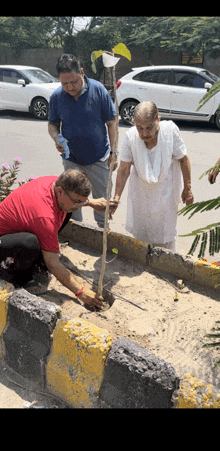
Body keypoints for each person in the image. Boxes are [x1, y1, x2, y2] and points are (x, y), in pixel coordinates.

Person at [0, 169, 108, 309]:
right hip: (4, 241)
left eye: (82, 201)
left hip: (21, 228)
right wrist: (81, 292)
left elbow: (72, 202)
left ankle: (37, 259)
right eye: (77, 201)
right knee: (29, 243)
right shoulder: (45, 217)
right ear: (60, 191)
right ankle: (22, 279)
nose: (79, 205)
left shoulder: (54, 182)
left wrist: (91, 202)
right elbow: (53, 264)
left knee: (68, 211)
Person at [110, 101, 194, 252]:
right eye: (139, 128)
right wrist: (116, 198)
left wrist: (187, 188)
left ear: (158, 120)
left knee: (165, 242)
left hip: (166, 196)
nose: (144, 133)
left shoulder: (170, 131)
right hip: (141, 196)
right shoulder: (131, 137)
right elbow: (123, 170)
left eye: (149, 127)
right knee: (142, 240)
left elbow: (183, 159)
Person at [48, 54, 118, 228]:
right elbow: (52, 124)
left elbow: (112, 123)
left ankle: (104, 232)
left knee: (103, 201)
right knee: (71, 202)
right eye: (65, 83)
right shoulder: (57, 97)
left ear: (81, 72)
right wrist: (56, 138)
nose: (70, 87)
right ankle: (75, 232)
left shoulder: (98, 90)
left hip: (99, 158)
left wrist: (114, 152)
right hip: (72, 160)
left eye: (74, 82)